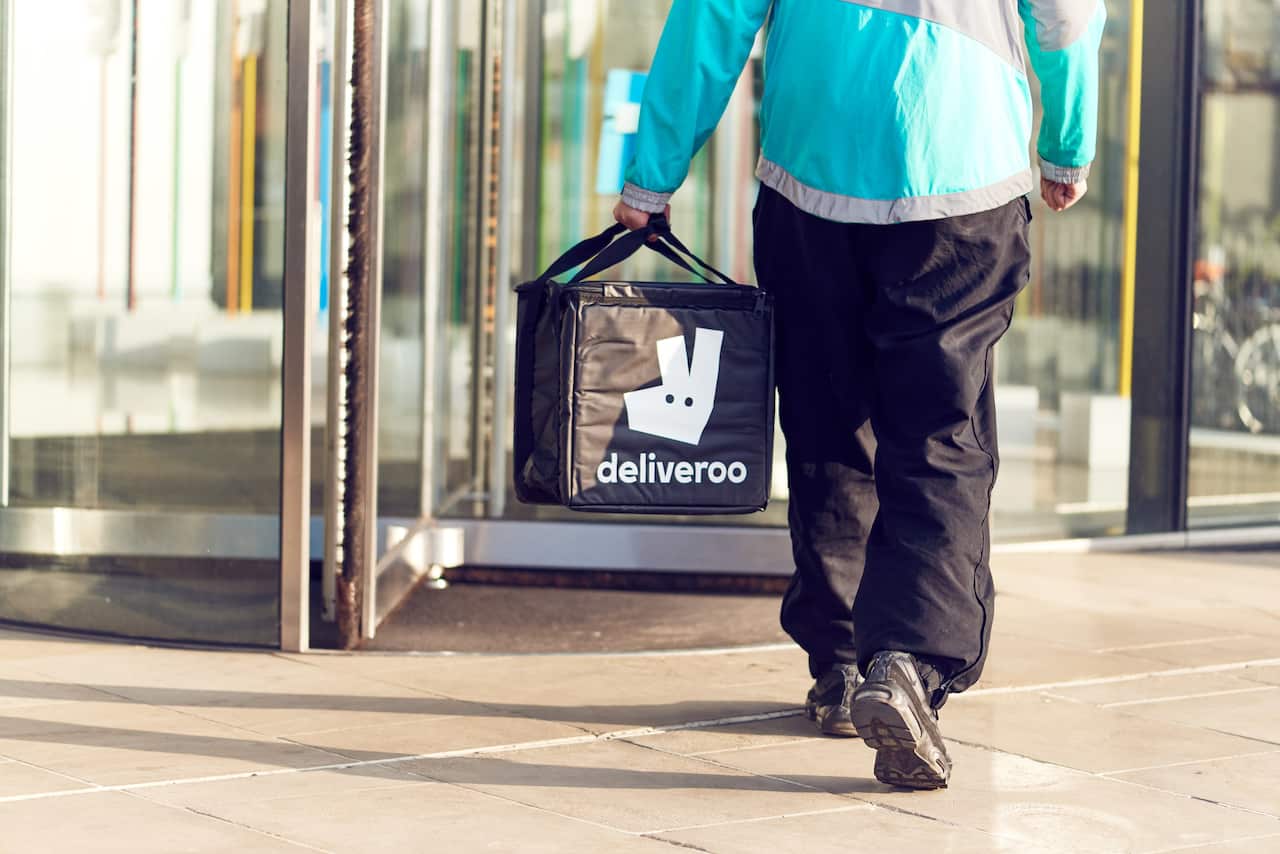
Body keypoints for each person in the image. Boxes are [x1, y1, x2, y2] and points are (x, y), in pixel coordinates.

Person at [614, 0, 1105, 789]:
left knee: (828, 420)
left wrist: (654, 170)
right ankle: (908, 660)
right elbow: (1068, 18)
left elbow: (712, 17)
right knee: (939, 433)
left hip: (812, 173)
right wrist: (1066, 144)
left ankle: (843, 663)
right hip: (961, 171)